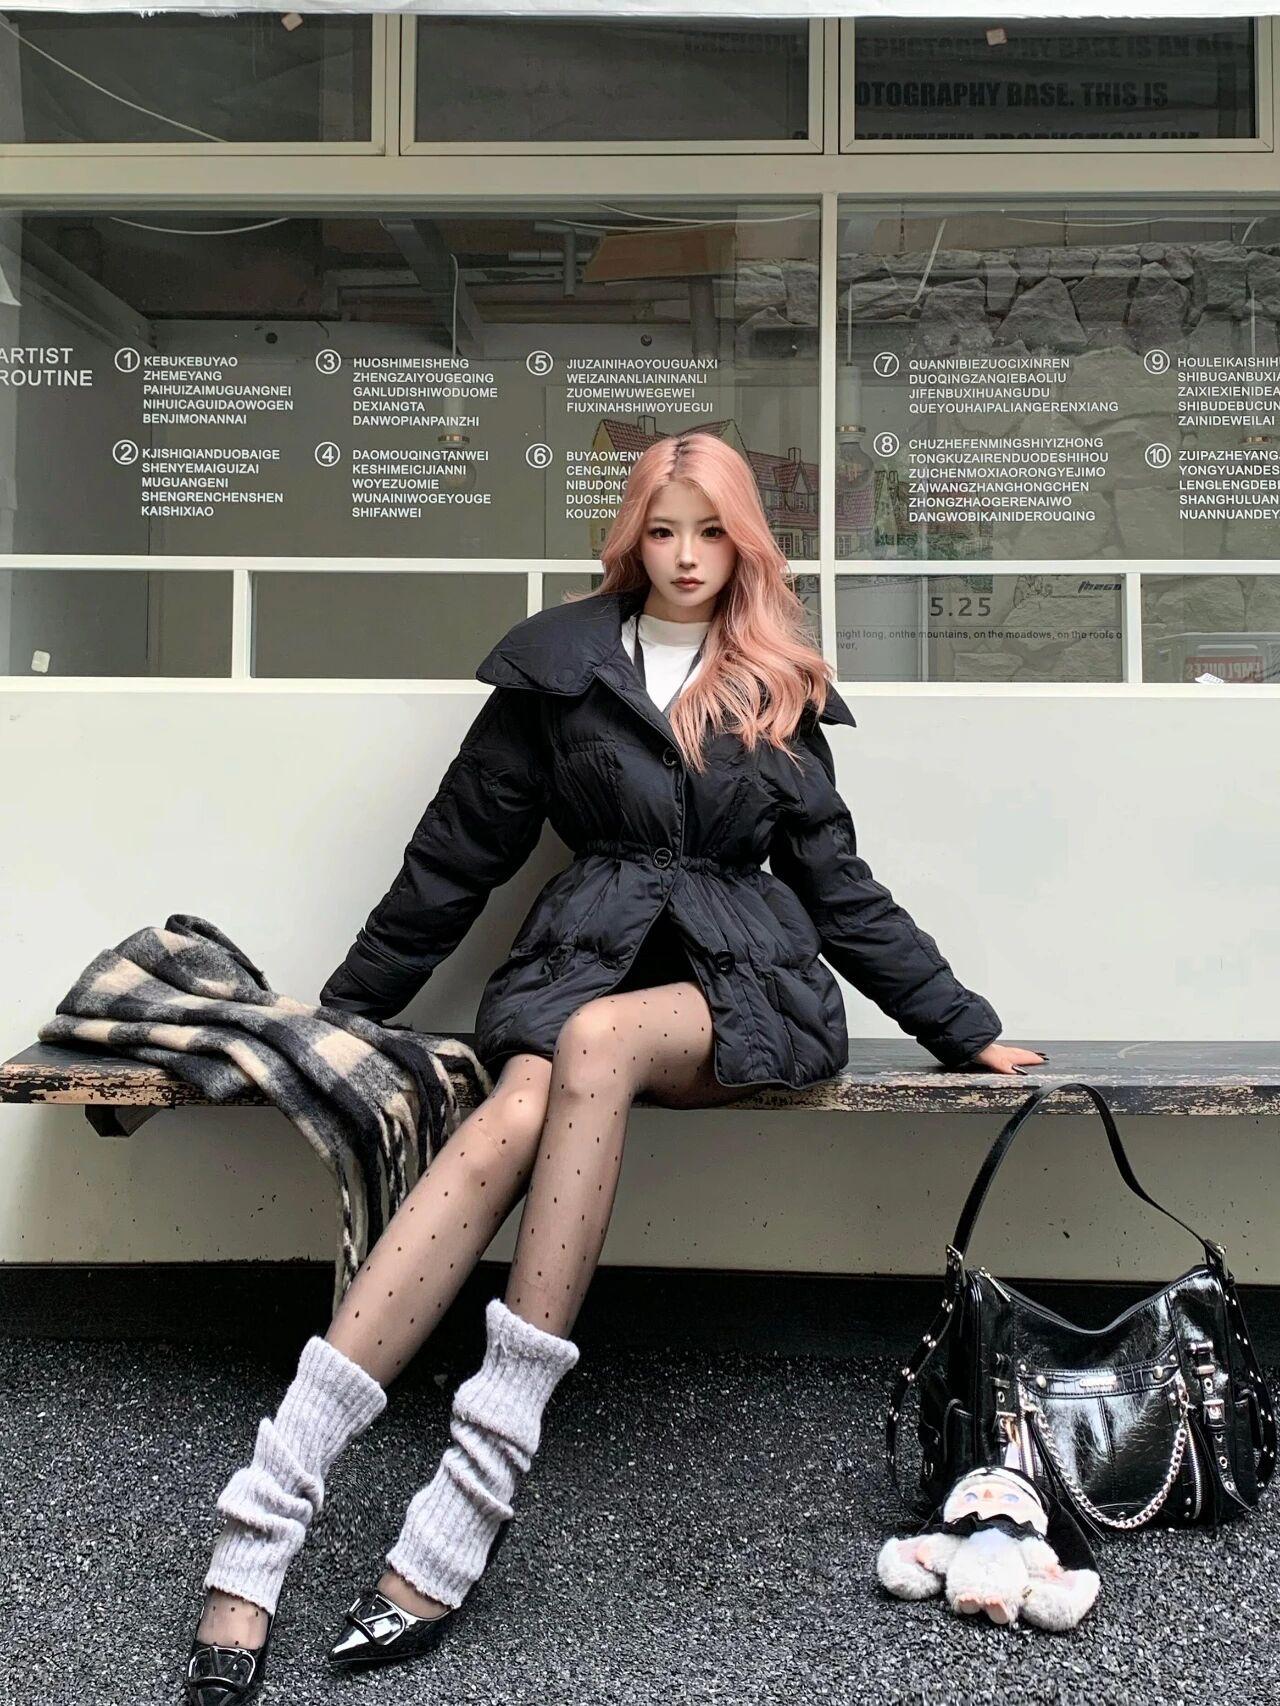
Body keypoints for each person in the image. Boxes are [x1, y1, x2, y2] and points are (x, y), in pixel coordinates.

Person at [182, 429, 1044, 1701]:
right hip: (579, 966)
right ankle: (263, 1512)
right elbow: (452, 857)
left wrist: (956, 1023)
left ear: (744, 541)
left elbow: (838, 886)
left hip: (742, 988)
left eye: (711, 530)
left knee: (592, 1042)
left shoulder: (777, 683)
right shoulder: (559, 665)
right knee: (520, 1098)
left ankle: (473, 1488)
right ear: (631, 536)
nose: (687, 556)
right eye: (663, 529)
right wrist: (349, 1011)